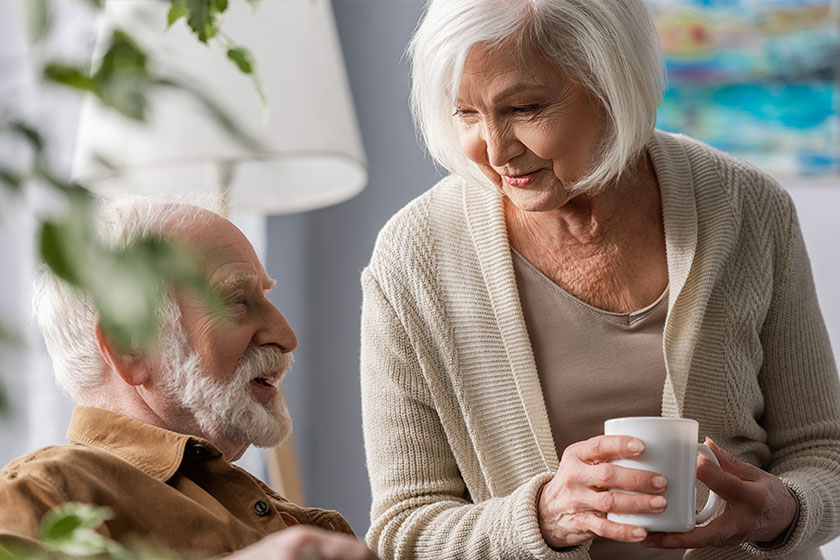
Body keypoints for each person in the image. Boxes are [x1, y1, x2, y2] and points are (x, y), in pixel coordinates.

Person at [359, 1, 840, 559]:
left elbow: (822, 451)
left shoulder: (747, 208)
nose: (494, 150)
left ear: (615, 83)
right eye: (465, 112)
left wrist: (782, 512)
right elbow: (402, 530)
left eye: (525, 107)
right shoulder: (415, 257)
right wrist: (543, 518)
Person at [0, 197, 377, 560]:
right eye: (236, 300)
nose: (286, 335)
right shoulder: (45, 493)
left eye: (263, 296)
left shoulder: (300, 522)